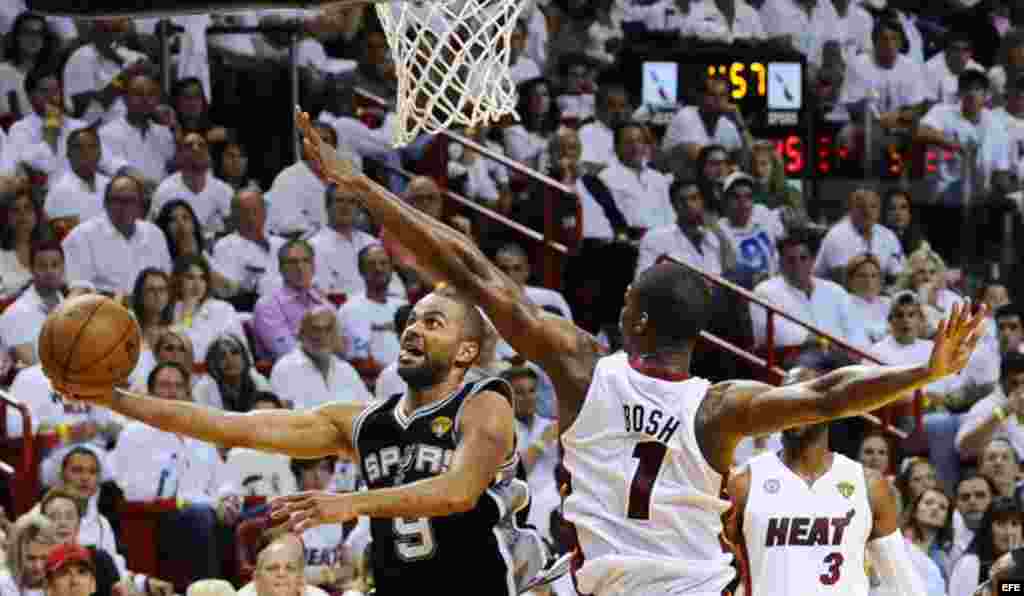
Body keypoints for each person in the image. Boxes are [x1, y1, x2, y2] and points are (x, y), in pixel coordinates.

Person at [287, 109, 987, 596]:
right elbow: (828, 395)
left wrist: (359, 185)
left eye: (625, 300)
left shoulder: (581, 369)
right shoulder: (721, 407)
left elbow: (472, 271)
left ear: (639, 321)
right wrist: (924, 368)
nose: (618, 307)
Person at [58, 290, 560, 596]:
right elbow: (231, 426)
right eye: (411, 319)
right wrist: (114, 398)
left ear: (466, 351)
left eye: (433, 322)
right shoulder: (364, 424)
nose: (414, 328)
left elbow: (458, 493)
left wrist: (345, 503)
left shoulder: (485, 401)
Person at [727, 356, 924, 596]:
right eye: (786, 397)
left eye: (806, 396)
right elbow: (717, 573)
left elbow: (902, 584)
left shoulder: (868, 484)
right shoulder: (744, 481)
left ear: (829, 404)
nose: (795, 406)